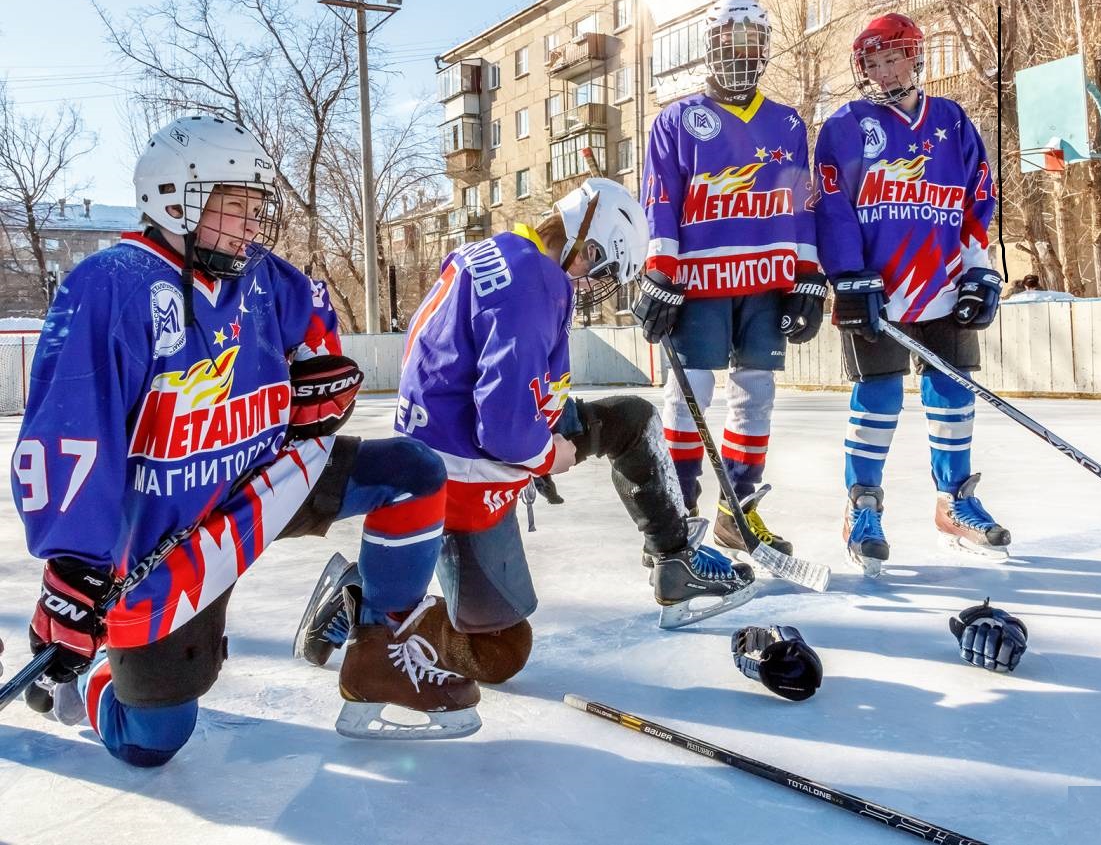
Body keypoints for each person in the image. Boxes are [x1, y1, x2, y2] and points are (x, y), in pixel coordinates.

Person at [12, 115, 480, 764]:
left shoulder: (259, 274)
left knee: (411, 470)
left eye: (257, 207)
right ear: (174, 199)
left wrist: (322, 369)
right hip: (169, 540)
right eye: (235, 206)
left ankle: (381, 650)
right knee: (154, 741)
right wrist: (75, 568)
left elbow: (311, 316)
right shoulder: (109, 287)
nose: (252, 225)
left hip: (263, 481)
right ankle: (100, 684)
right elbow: (67, 439)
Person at [296, 178, 757, 678]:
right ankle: (361, 595)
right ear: (588, 243)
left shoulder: (495, 252)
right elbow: (504, 427)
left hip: (448, 442)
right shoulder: (533, 284)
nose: (587, 285)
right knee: (500, 652)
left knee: (631, 419)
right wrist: (542, 453)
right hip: (469, 464)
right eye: (595, 269)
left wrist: (542, 425)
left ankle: (674, 561)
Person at [814, 13, 1011, 576]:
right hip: (878, 294)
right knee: (876, 400)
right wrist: (848, 276)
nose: (882, 71)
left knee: (953, 394)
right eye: (871, 63)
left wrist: (978, 270)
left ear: (915, 55)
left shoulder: (951, 120)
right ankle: (863, 508)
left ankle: (956, 503)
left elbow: (979, 198)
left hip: (944, 287)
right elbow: (833, 208)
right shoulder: (845, 125)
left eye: (891, 57)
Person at [632, 0, 825, 560]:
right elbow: (660, 200)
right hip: (698, 285)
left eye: (751, 42)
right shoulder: (674, 119)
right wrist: (661, 273)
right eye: (729, 41)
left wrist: (808, 277)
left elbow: (800, 204)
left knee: (755, 396)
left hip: (766, 281)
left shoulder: (787, 121)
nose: (740, 53)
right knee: (688, 395)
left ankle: (737, 511)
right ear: (710, 45)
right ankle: (678, 514)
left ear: (765, 48)